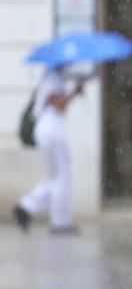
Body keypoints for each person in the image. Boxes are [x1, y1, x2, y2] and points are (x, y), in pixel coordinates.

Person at [13, 65, 87, 234]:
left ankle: (26, 207)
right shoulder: (52, 78)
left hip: (51, 131)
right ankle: (60, 222)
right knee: (62, 177)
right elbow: (59, 105)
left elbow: (60, 104)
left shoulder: (54, 78)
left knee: (56, 177)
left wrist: (74, 91)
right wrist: (75, 92)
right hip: (52, 132)